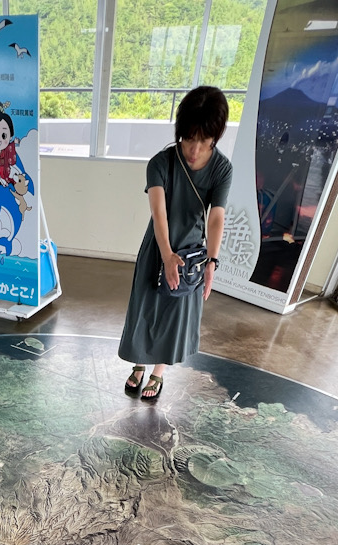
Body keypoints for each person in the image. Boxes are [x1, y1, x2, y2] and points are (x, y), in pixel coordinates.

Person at [118, 86, 232, 401]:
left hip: (193, 255)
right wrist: (166, 255)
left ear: (215, 138)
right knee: (147, 307)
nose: (194, 149)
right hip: (159, 247)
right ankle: (138, 364)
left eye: (204, 141)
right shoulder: (160, 163)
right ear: (180, 132)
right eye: (188, 138)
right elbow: (159, 213)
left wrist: (212, 261)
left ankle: (157, 372)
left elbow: (216, 218)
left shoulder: (222, 169)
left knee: (175, 315)